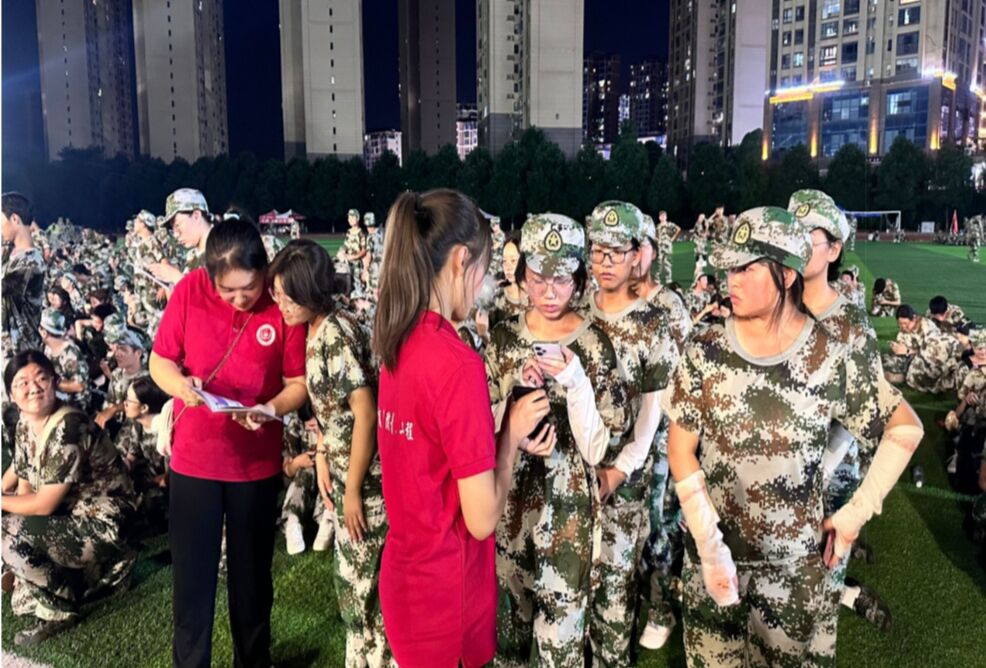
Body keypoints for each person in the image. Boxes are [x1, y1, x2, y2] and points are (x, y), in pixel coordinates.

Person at [663, 206, 924, 667]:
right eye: (730, 268)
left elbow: (905, 427)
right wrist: (708, 546)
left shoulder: (829, 356)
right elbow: (680, 449)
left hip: (790, 576)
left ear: (786, 275)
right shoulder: (705, 348)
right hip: (713, 564)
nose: (732, 280)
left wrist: (854, 516)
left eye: (747, 268)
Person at [373, 189, 546, 667]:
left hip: (406, 581)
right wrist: (510, 437)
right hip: (447, 597)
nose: (482, 287)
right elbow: (482, 518)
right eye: (483, 272)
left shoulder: (395, 342)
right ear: (460, 260)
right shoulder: (456, 364)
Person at [149, 217, 308, 667]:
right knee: (192, 583)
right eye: (227, 290)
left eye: (249, 287)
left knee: (252, 581)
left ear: (264, 271)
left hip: (254, 464)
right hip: (195, 460)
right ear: (209, 277)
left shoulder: (280, 302)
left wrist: (270, 409)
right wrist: (181, 387)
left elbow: (297, 383)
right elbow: (160, 360)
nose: (239, 299)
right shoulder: (189, 291)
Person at [486, 212, 627, 666]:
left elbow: (599, 449)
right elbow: (476, 423)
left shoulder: (596, 345)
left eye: (562, 280)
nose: (549, 293)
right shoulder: (503, 337)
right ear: (522, 275)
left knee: (560, 650)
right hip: (508, 513)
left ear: (579, 279)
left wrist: (576, 381)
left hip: (568, 522)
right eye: (538, 278)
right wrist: (512, 412)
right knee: (506, 645)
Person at [789, 189, 916, 634]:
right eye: (792, 233)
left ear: (834, 249)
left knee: (828, 551)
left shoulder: (849, 324)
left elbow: (864, 413)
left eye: (810, 237)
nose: (797, 245)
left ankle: (840, 592)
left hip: (833, 459)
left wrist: (821, 468)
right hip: (781, 462)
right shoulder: (775, 304)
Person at [268, 238, 391, 665]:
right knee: (355, 587)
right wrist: (322, 451)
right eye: (276, 294)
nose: (280, 304)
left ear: (310, 292)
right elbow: (333, 410)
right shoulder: (317, 326)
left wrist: (352, 489)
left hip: (367, 484)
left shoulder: (335, 333)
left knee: (364, 591)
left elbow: (365, 413)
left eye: (287, 295)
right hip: (344, 471)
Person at [584, 201, 678, 663]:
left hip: (623, 480)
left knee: (615, 592)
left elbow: (650, 418)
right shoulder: (574, 310)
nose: (605, 262)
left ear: (637, 254)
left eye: (616, 253)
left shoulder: (652, 324)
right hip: (573, 477)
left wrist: (616, 473)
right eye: (597, 251)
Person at [2, 350, 137, 646]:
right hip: (72, 515)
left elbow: (43, 504)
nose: (33, 388)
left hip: (106, 520)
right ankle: (99, 573)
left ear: (55, 382)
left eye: (41, 378)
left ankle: (61, 610)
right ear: (11, 394)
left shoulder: (68, 425)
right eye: (22, 383)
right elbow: (24, 486)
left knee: (7, 535)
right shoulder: (25, 424)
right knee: (20, 597)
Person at [117, 375, 171, 531]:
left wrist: (149, 483)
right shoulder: (137, 424)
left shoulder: (165, 431)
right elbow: (131, 457)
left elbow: (169, 477)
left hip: (167, 484)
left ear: (144, 408)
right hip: (150, 476)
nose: (125, 404)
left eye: (129, 401)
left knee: (151, 504)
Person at [277, 403, 331, 554]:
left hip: (328, 478)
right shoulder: (296, 425)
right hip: (305, 482)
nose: (312, 427)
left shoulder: (332, 421)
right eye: (309, 425)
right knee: (306, 472)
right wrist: (297, 463)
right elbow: (287, 470)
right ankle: (292, 520)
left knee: (330, 477)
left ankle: (326, 519)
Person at [2, 191, 46, 356]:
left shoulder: (31, 261)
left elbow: (4, 292)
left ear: (14, 219)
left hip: (20, 353)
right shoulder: (10, 253)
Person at [883, 305, 964, 394]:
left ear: (914, 319)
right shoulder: (903, 332)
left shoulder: (927, 327)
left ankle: (902, 377)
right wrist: (898, 349)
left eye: (906, 324)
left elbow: (933, 352)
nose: (903, 327)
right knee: (886, 361)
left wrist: (908, 351)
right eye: (900, 324)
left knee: (915, 378)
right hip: (914, 357)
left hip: (932, 359)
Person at [148, 188, 212, 285]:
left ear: (196, 216)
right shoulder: (192, 256)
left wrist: (176, 277)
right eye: (173, 229)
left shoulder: (224, 250)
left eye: (178, 225)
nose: (176, 234)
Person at [38, 309, 91, 411]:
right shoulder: (47, 348)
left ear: (44, 333)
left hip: (76, 406)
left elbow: (80, 385)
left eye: (40, 328)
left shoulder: (71, 354)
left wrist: (53, 383)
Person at [489, 233, 528, 330]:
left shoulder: (538, 299)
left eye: (513, 260)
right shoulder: (498, 298)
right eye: (504, 261)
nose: (507, 267)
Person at [655, 210, 681, 285]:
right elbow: (654, 235)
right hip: (660, 246)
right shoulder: (658, 226)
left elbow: (678, 229)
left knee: (668, 262)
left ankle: (668, 278)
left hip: (668, 245)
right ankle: (657, 279)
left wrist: (673, 238)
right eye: (661, 216)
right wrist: (657, 240)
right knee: (659, 262)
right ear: (659, 217)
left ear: (666, 217)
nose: (663, 217)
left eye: (664, 216)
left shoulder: (670, 224)